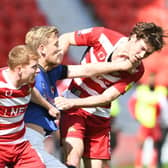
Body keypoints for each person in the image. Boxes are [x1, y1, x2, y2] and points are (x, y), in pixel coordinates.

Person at [54, 22, 167, 168]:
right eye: (142, 49)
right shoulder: (102, 35)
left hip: (99, 116)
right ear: (133, 37)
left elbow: (106, 98)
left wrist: (73, 103)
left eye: (147, 53)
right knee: (73, 157)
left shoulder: (137, 70)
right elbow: (66, 38)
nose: (141, 55)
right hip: (74, 105)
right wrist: (56, 63)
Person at [23, 26, 136, 168]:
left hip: (34, 142)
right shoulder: (27, 72)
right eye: (56, 45)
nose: (61, 48)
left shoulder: (53, 71)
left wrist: (121, 65)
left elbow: (87, 69)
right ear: (42, 49)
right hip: (24, 141)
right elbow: (19, 86)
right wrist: (48, 106)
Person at [0, 45, 60, 168]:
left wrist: (49, 106)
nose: (38, 70)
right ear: (19, 69)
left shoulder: (28, 81)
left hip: (20, 145)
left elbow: (31, 92)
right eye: (34, 67)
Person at [128, 73, 167, 168]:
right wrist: (134, 115)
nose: (151, 81)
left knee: (155, 145)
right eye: (150, 79)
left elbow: (163, 107)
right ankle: (138, 165)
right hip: (143, 122)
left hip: (155, 123)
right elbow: (132, 103)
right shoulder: (140, 90)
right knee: (141, 144)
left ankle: (152, 165)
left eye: (153, 79)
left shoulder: (161, 91)